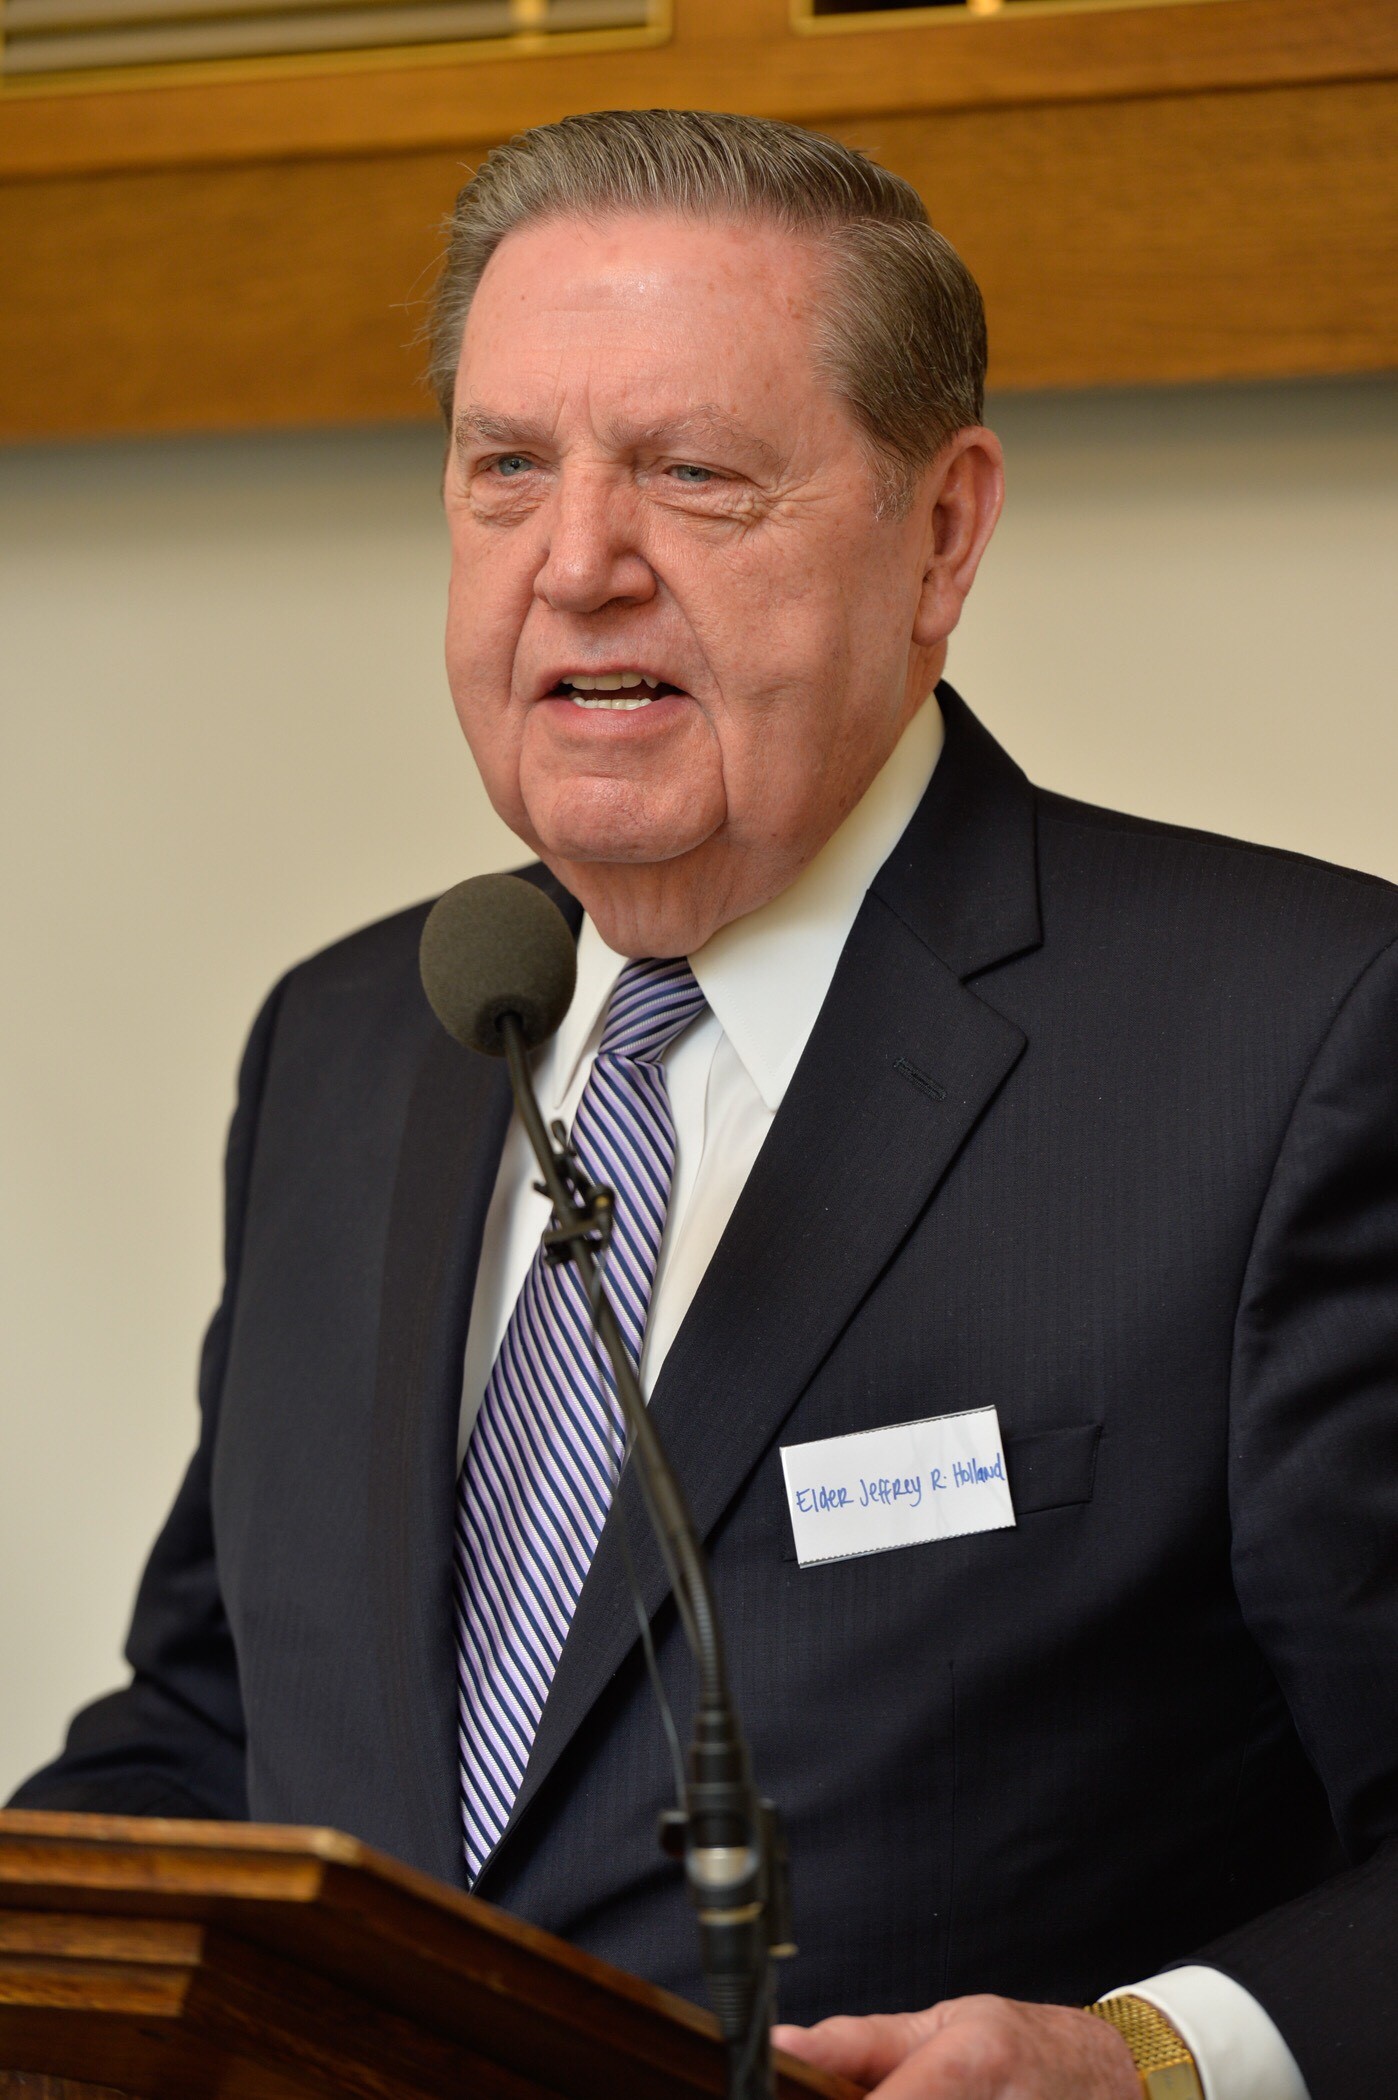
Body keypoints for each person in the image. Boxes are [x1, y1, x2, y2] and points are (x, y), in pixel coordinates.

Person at [11, 111, 1397, 2100]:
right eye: (507, 468)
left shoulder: (1298, 1041)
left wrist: (1152, 2061)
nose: (578, 565)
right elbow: (222, 1728)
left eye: (692, 473)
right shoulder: (360, 1039)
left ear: (942, 535)